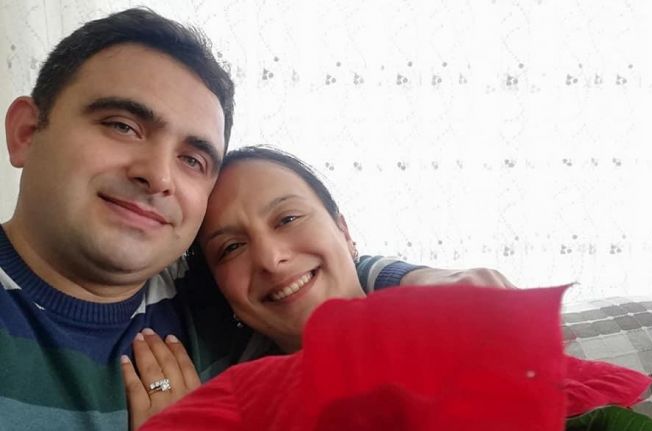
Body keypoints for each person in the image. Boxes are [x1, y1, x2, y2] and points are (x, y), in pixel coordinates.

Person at [0, 9, 425, 431]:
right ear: (26, 132)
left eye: (192, 159)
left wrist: (419, 283)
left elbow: (319, 282)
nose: (159, 177)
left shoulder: (213, 300)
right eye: (122, 126)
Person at [122, 146, 517, 428]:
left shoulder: (458, 342)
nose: (270, 258)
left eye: (288, 219)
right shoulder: (236, 392)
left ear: (344, 231)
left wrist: (411, 280)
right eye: (231, 248)